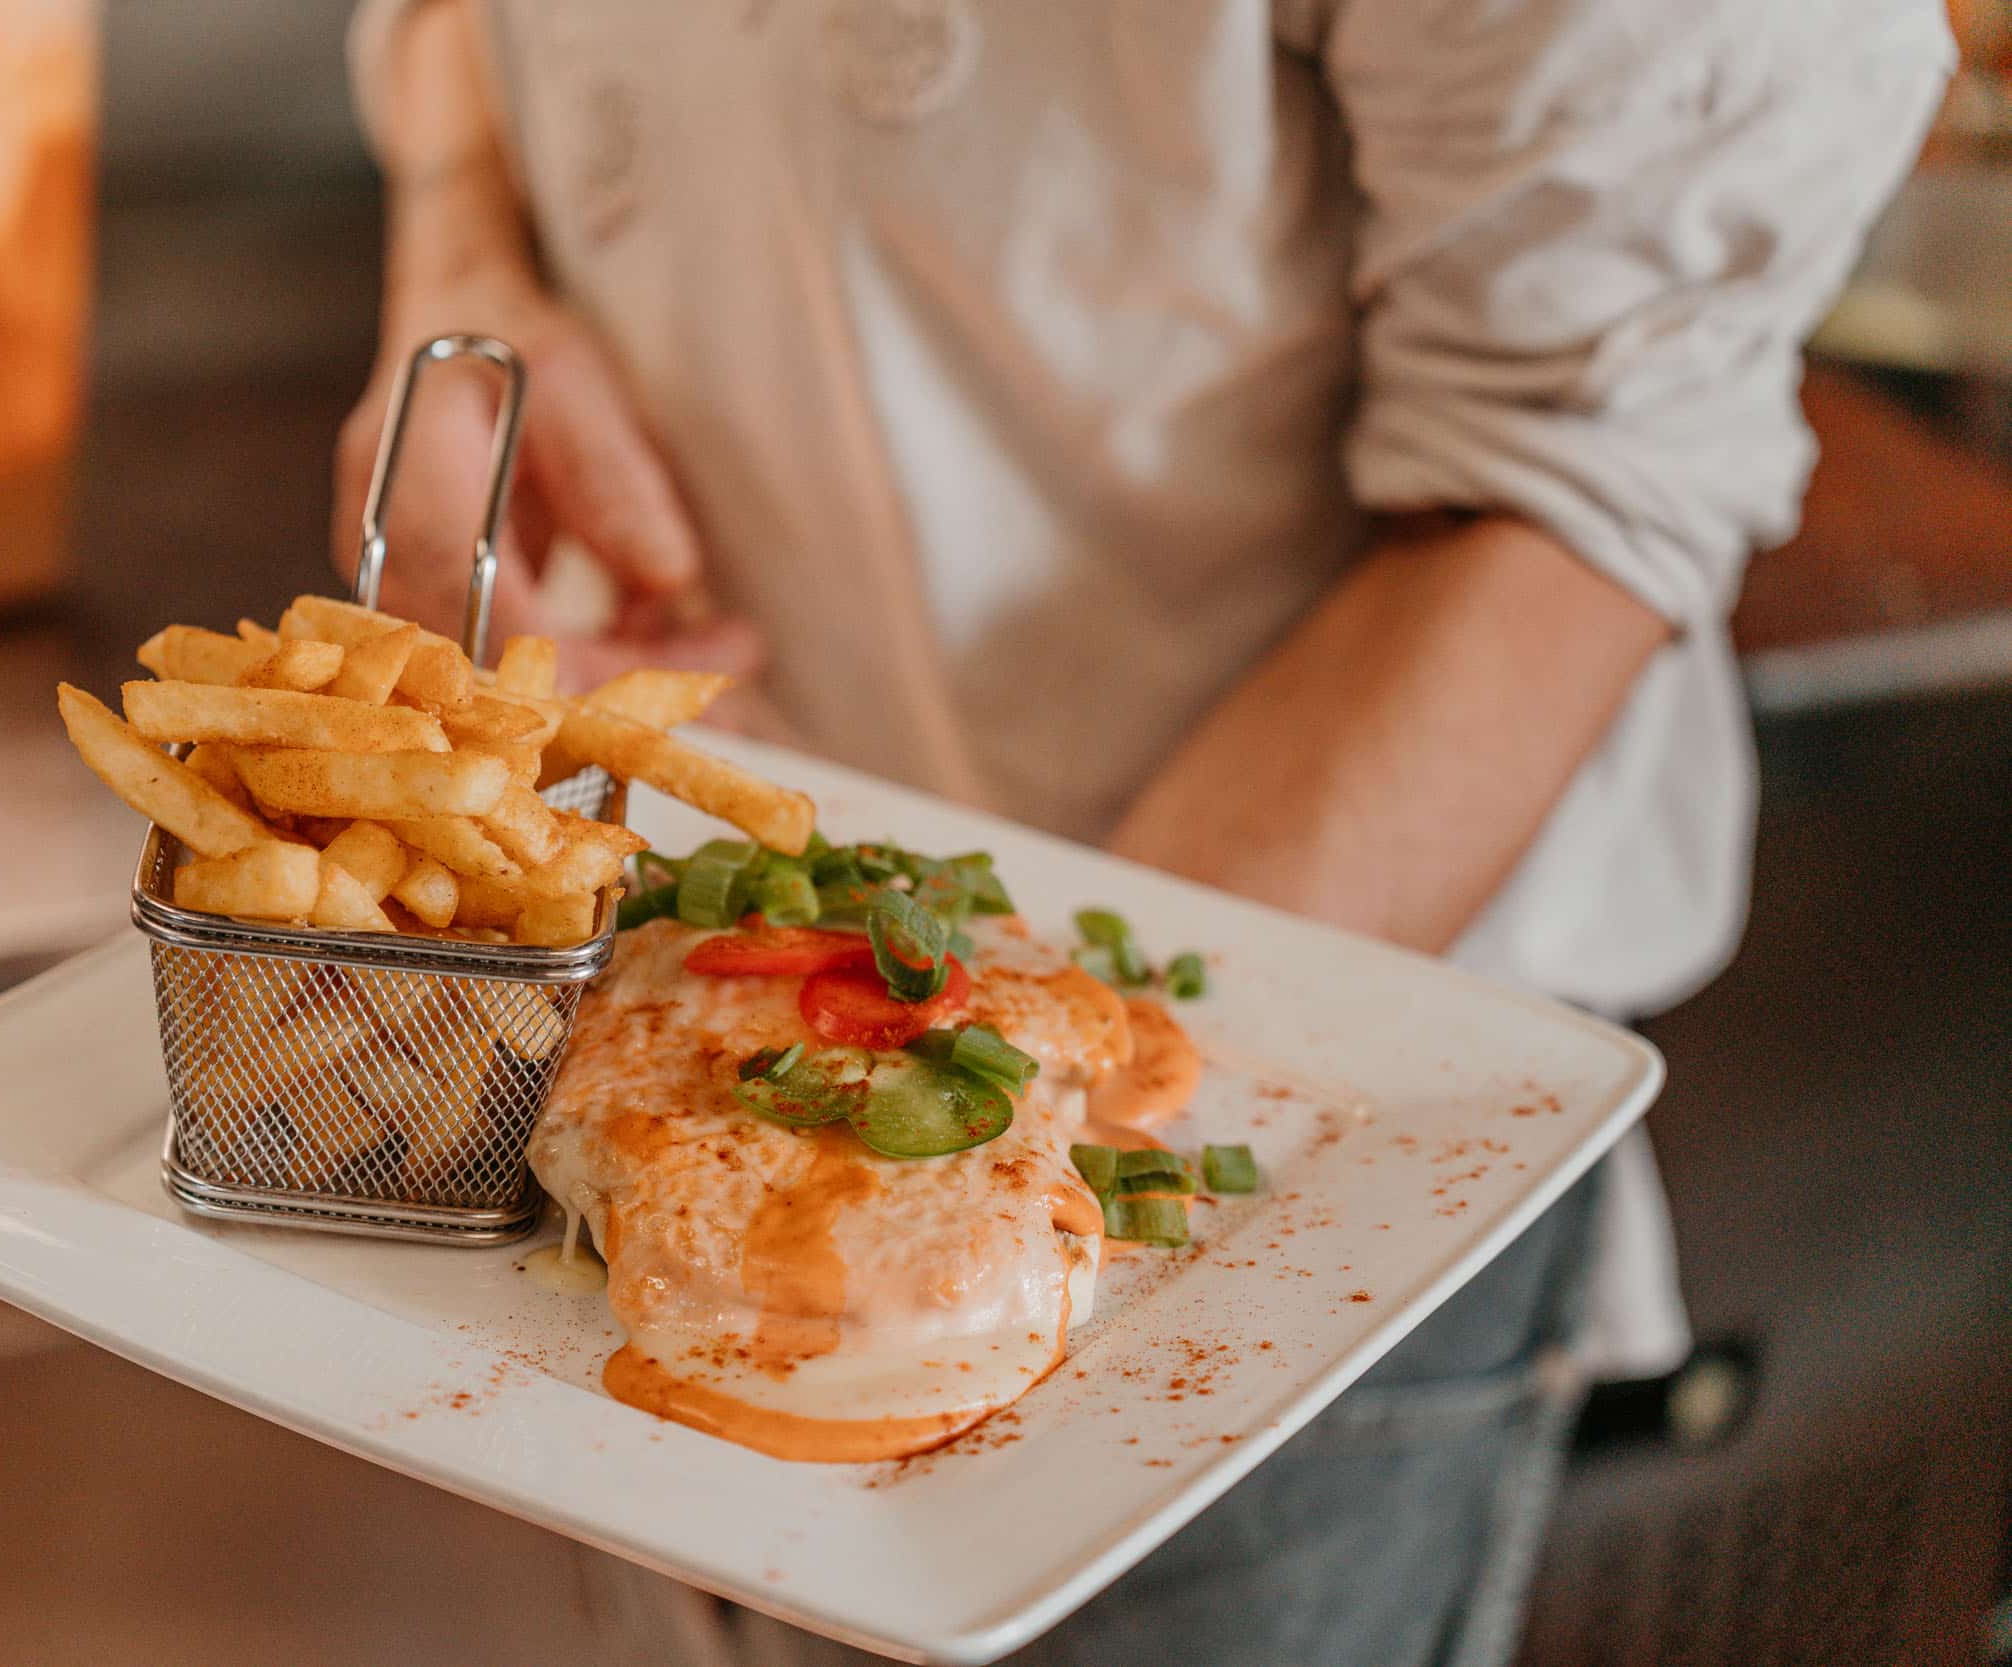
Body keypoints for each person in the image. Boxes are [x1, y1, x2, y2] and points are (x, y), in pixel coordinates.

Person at [334, 2, 1952, 1661]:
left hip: (1274, 1145)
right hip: (670, 1047)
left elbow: (1583, 465)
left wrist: (975, 1106)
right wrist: (466, 262)